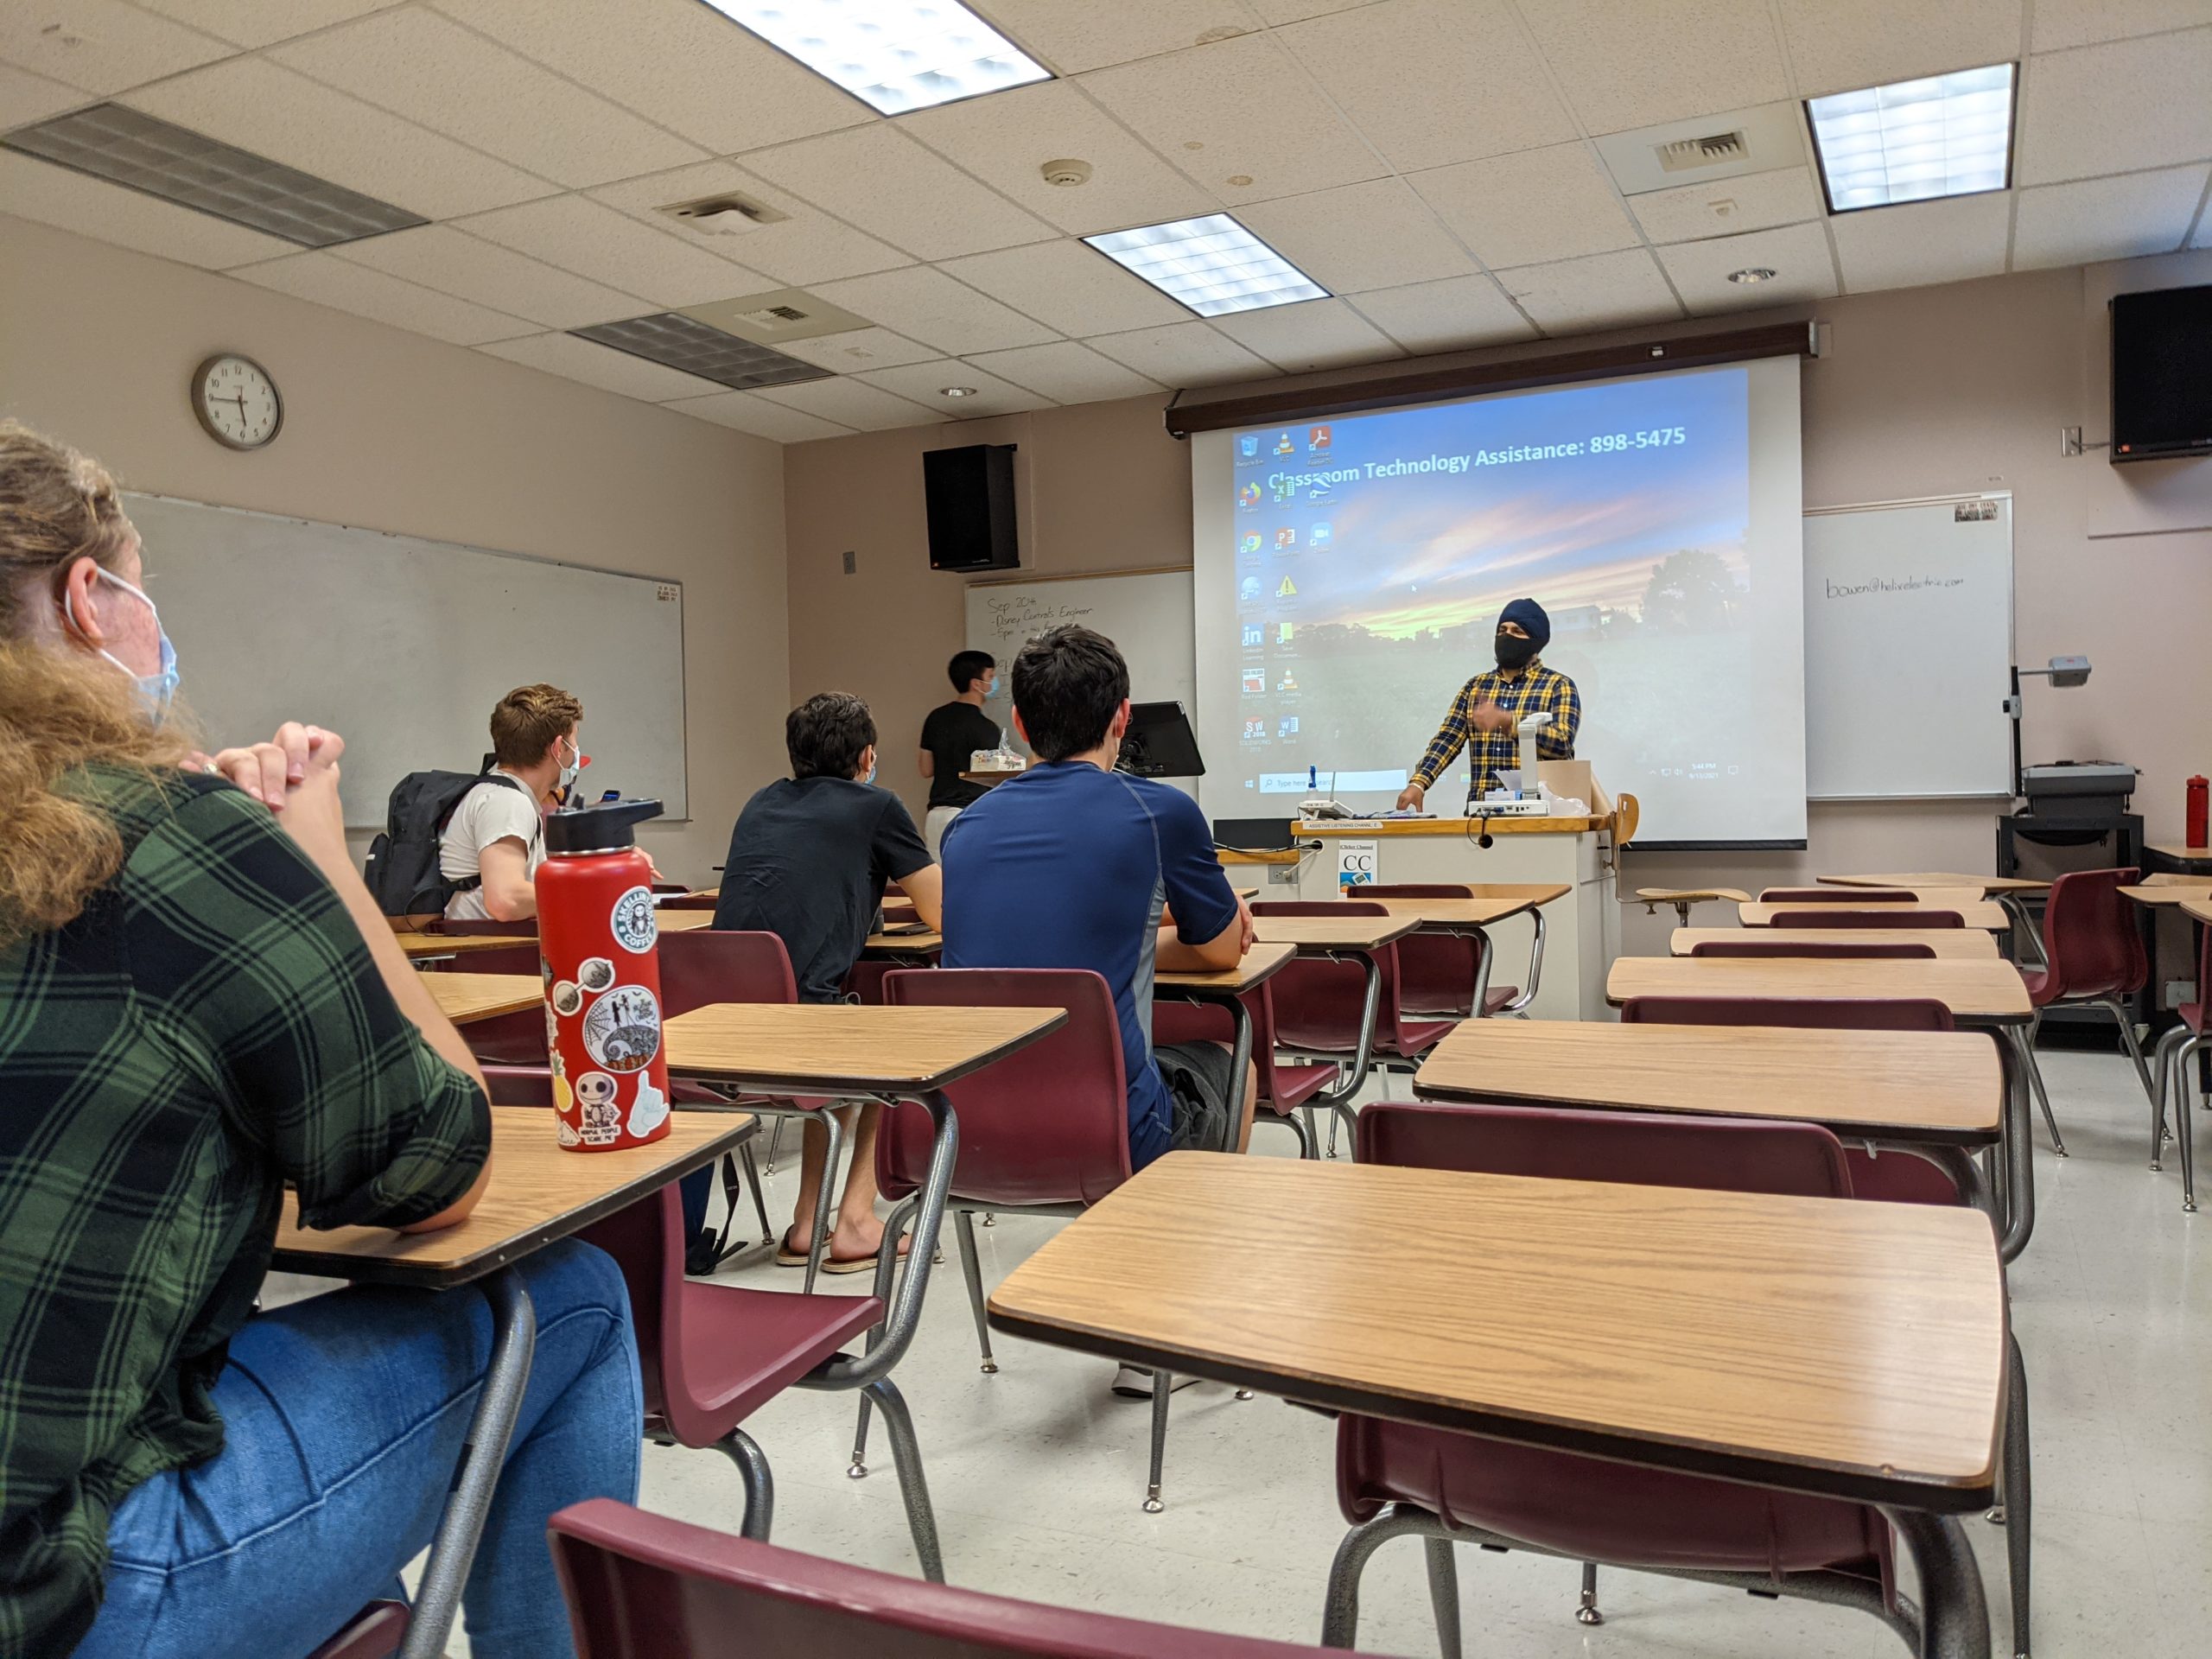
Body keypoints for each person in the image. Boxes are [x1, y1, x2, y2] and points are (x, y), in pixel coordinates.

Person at [0, 422, 638, 1659]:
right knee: (577, 1303)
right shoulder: (163, 837)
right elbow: (437, 1168)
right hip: (61, 1591)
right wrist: (317, 862)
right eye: (144, 585)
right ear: (90, 597)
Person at [938, 626, 1256, 1398]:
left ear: (1018, 726)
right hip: (1109, 1129)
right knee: (1230, 1064)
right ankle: (1162, 1338)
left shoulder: (965, 827)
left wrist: (1136, 938)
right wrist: (1206, 925)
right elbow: (1221, 957)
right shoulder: (1161, 814)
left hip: (961, 1136)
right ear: (1123, 718)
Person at [714, 692, 943, 1272]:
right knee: (891, 1049)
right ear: (867, 757)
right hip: (800, 1036)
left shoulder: (760, 802)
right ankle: (857, 1224)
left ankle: (807, 1220)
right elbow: (944, 914)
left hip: (720, 1034)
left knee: (844, 1022)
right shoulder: (877, 806)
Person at [1395, 596, 1581, 811]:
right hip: (1481, 819)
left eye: (1517, 631)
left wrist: (1509, 722)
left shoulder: (1558, 685)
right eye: (1502, 630)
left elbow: (1563, 743)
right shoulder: (1476, 686)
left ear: (1536, 642)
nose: (1507, 636)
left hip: (1541, 817)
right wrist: (1419, 783)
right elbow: (1448, 738)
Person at [439, 683, 585, 922]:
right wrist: (589, 894)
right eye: (574, 741)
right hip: (489, 955)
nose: (577, 751)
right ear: (559, 748)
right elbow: (506, 899)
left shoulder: (501, 795)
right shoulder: (507, 802)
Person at [917, 648, 1003, 858]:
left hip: (936, 816)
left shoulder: (935, 718)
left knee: (940, 885)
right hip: (970, 815)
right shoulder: (987, 728)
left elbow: (926, 769)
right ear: (976, 684)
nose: (994, 683)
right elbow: (997, 777)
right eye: (990, 677)